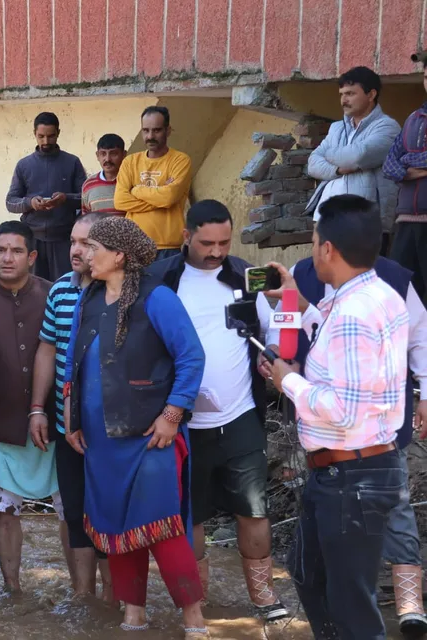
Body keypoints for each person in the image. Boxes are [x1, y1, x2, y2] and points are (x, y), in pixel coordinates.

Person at [264, 238, 427, 637]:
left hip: (353, 472)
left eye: (316, 241)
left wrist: (291, 383)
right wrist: (299, 305)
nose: (311, 250)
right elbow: (329, 330)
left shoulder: (354, 310)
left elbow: (343, 409)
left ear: (329, 249)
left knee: (350, 602)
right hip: (345, 468)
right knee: (307, 573)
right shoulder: (367, 295)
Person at [63, 216, 207, 636]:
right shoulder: (87, 298)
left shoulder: (157, 298)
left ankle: (194, 620)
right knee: (114, 527)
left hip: (150, 437)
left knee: (162, 526)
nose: (84, 254)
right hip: (99, 441)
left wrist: (172, 415)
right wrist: (71, 418)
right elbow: (73, 362)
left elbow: (191, 358)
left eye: (92, 247)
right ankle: (133, 615)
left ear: (119, 255)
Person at [150, 200, 288, 620]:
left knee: (254, 508)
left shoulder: (246, 274)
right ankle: (198, 602)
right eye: (206, 242)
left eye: (224, 242)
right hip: (183, 422)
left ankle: (265, 597)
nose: (216, 251)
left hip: (241, 414)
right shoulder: (161, 280)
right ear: (186, 236)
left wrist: (277, 352)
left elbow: (278, 318)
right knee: (189, 515)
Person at [29, 213, 114, 599]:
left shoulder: (123, 293)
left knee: (111, 516)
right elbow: (48, 348)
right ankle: (85, 603)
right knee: (75, 513)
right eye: (74, 242)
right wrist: (37, 409)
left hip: (113, 430)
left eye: (88, 244)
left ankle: (118, 602)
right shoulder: (61, 290)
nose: (77, 251)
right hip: (68, 426)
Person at [0, 221, 58, 594]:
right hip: (0, 427)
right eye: (0, 250)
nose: (7, 258)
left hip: (56, 424)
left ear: (32, 256)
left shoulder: (56, 296)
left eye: (16, 250)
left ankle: (85, 593)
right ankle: (12, 589)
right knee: (4, 510)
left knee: (71, 509)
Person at [305, 67, 400, 256]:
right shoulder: (336, 128)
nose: (343, 100)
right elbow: (312, 163)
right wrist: (339, 170)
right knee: (325, 278)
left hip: (363, 221)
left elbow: (358, 156)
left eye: (350, 93)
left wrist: (328, 154)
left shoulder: (388, 127)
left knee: (363, 279)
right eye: (341, 94)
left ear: (371, 94)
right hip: (326, 218)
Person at [5, 111, 87, 281]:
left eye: (50, 136)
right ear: (34, 133)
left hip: (64, 239)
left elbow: (86, 198)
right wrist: (30, 203)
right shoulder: (24, 165)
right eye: (41, 136)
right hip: (33, 240)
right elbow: (11, 202)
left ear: (58, 133)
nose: (46, 141)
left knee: (65, 287)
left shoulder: (72, 162)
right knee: (33, 289)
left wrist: (66, 199)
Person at [114, 106, 192, 259]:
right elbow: (120, 201)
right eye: (145, 130)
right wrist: (161, 196)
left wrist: (136, 190)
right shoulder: (130, 162)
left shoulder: (180, 160)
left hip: (168, 249)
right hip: (135, 245)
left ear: (168, 130)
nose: (150, 136)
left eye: (157, 130)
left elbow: (168, 197)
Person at [384, 61, 427, 299]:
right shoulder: (413, 118)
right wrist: (413, 166)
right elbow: (390, 164)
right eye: (426, 76)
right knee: (401, 292)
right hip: (407, 219)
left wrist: (407, 162)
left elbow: (401, 160)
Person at [81, 134, 126, 215]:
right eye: (103, 154)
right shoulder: (88, 185)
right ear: (97, 156)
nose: (108, 159)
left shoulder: (131, 182)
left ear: (124, 154)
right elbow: (86, 220)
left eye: (113, 153)